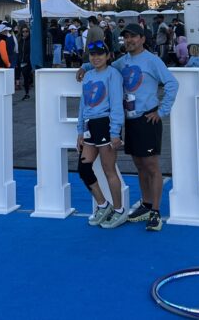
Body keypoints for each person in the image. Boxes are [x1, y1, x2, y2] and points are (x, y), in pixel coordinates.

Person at [76, 23, 178, 232]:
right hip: (129, 120)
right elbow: (102, 63)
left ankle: (156, 212)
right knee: (139, 165)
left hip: (146, 119)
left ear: (142, 38)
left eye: (133, 37)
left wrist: (161, 112)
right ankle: (146, 205)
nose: (129, 40)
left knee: (151, 166)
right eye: (126, 37)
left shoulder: (152, 60)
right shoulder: (123, 62)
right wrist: (85, 67)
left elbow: (172, 84)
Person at [76, 40, 128, 229]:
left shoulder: (113, 74)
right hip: (90, 126)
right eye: (92, 55)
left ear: (108, 56)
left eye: (100, 54)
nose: (96, 58)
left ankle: (119, 210)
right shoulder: (88, 75)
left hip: (106, 124)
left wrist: (115, 132)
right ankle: (103, 205)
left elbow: (116, 104)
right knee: (83, 169)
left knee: (109, 170)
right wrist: (80, 130)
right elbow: (83, 104)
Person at [16, 25, 33, 100]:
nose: (25, 33)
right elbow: (18, 51)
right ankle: (27, 93)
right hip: (22, 61)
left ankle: (28, 91)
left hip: (29, 61)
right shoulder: (20, 41)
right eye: (23, 31)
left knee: (28, 77)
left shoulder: (31, 41)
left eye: (26, 31)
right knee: (25, 77)